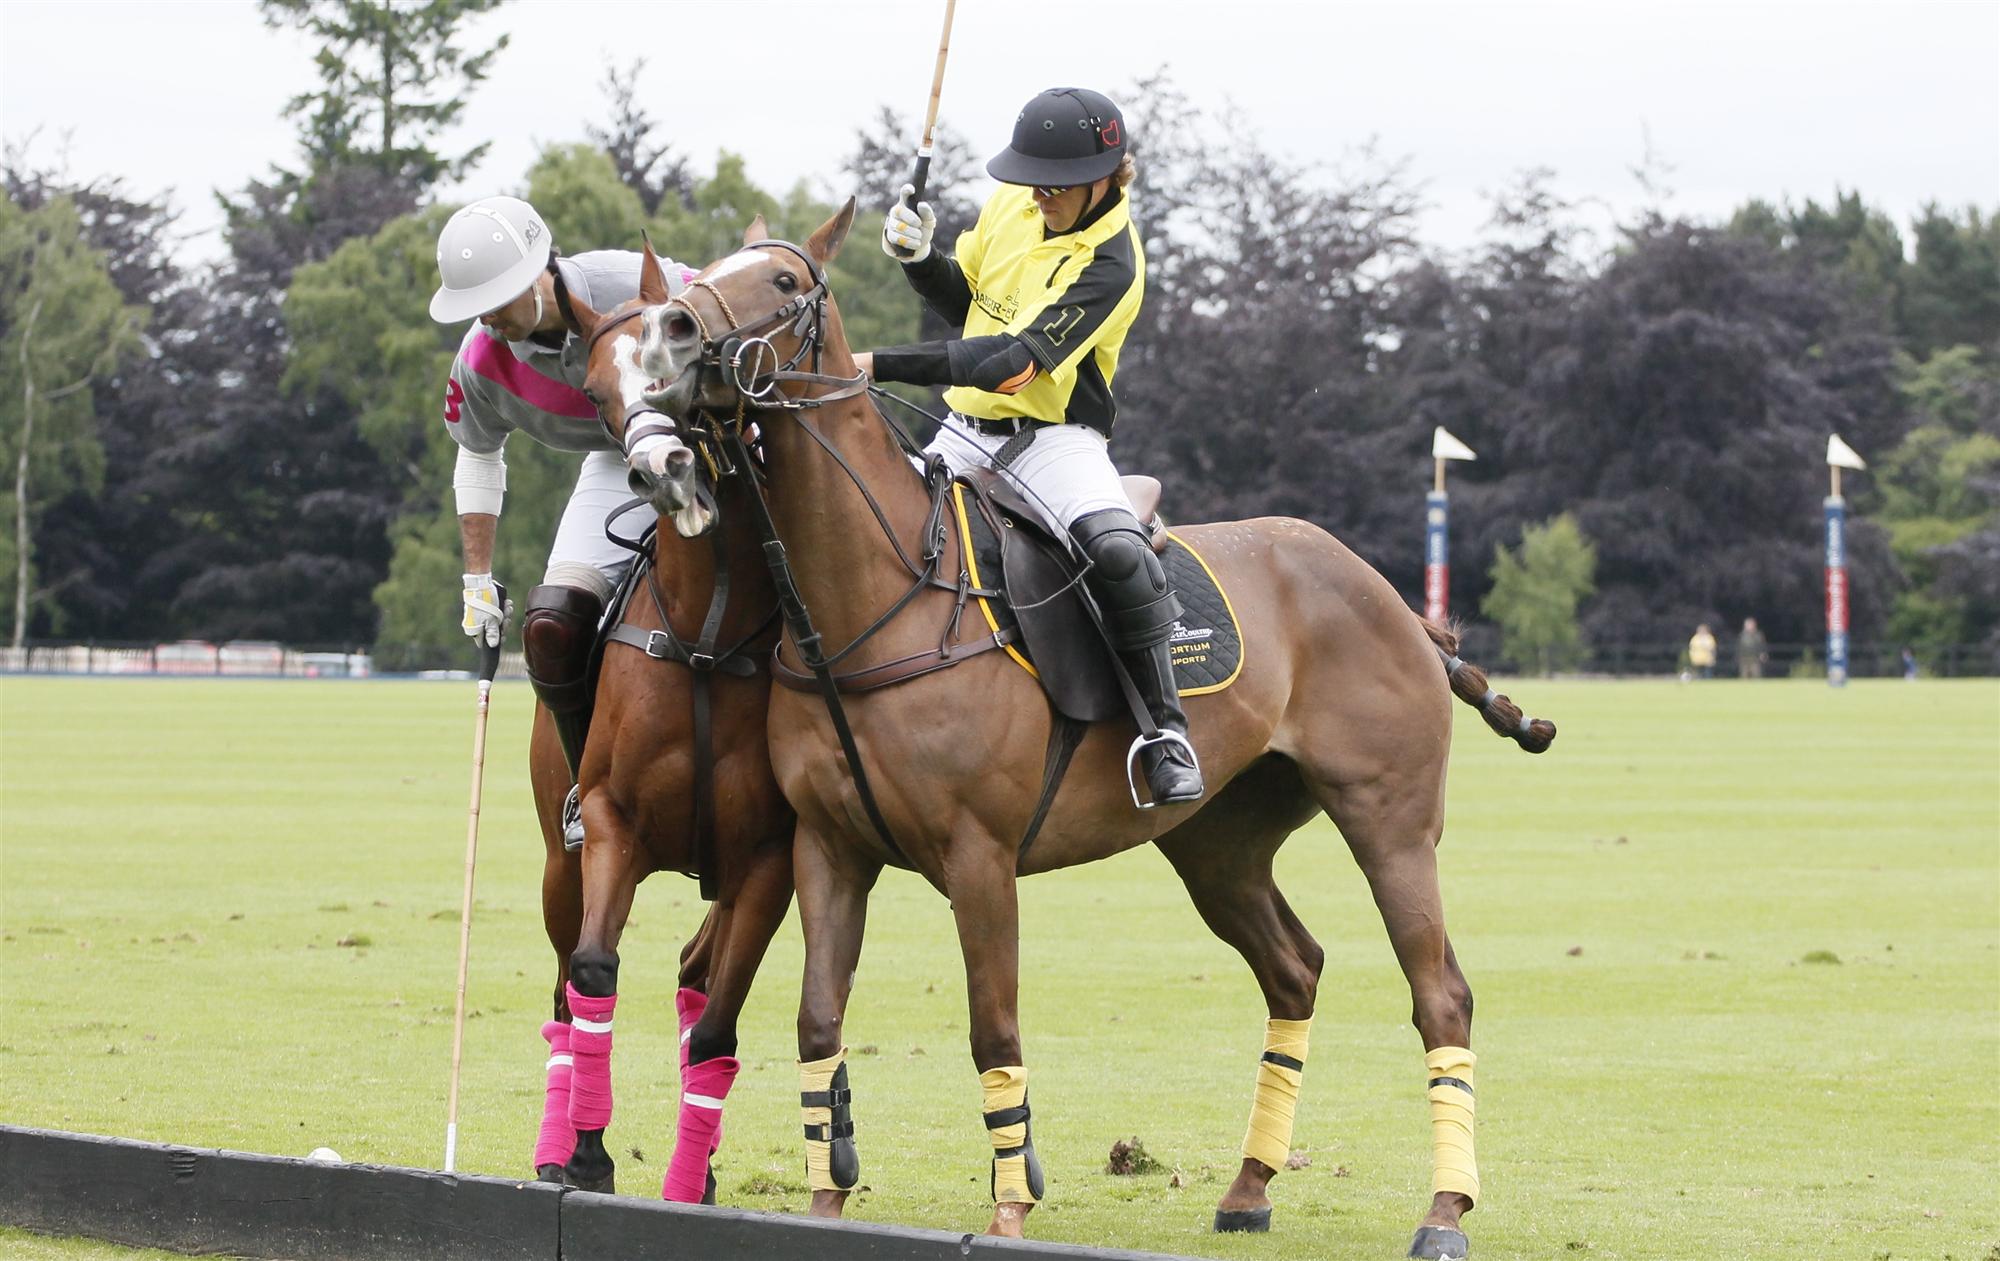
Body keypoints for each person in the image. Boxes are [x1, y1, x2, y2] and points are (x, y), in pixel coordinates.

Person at [854, 86, 1203, 807]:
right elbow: (972, 311)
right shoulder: (1014, 205)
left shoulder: (1113, 262)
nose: (1038, 194)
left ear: (1107, 177)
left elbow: (1013, 363)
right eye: (1030, 178)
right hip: (961, 430)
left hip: (1055, 440)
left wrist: (879, 363)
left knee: (1117, 553)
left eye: (1056, 184)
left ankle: (1165, 731)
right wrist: (922, 262)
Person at [429, 195, 691, 848]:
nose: (489, 315)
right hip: (614, 461)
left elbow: (722, 308)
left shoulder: (626, 281)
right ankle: (587, 788)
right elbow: (478, 455)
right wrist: (477, 579)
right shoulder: (482, 360)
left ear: (542, 269)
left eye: (500, 296)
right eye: (477, 303)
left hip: (713, 434)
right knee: (551, 620)